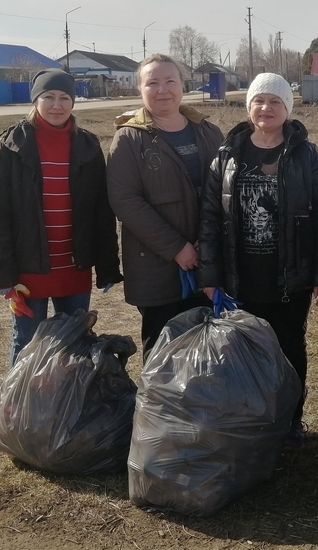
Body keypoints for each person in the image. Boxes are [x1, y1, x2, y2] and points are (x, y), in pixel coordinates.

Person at [198, 73, 318, 451]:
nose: (266, 108)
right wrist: (209, 275)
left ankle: (291, 419)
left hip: (289, 277)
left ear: (288, 110)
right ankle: (249, 420)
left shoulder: (306, 157)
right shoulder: (227, 156)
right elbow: (210, 219)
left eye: (275, 101)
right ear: (248, 109)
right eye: (259, 101)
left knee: (290, 348)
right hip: (239, 276)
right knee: (240, 351)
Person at [0, 68, 122, 367]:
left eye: (64, 97)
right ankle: (19, 409)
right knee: (27, 344)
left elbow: (101, 211)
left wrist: (108, 266)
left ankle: (67, 406)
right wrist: (2, 275)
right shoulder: (11, 144)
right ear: (35, 100)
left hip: (74, 267)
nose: (56, 105)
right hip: (28, 271)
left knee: (74, 344)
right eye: (48, 97)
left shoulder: (87, 145)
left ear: (73, 102)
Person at [107, 54, 224, 361]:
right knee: (164, 357)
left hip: (210, 264)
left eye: (170, 81)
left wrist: (208, 244)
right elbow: (126, 202)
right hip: (157, 269)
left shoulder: (209, 132)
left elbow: (226, 192)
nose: (162, 90)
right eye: (152, 83)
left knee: (210, 355)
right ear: (140, 89)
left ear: (182, 85)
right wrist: (177, 248)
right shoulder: (129, 140)